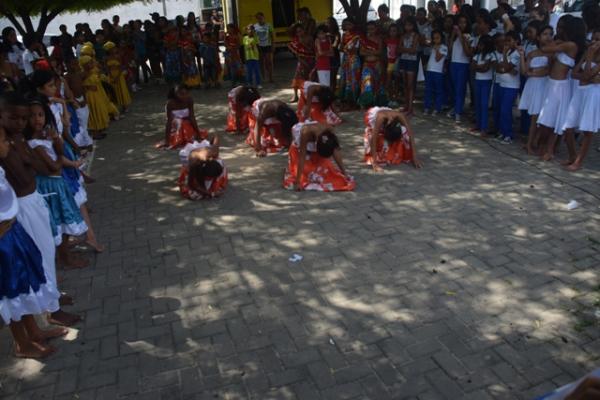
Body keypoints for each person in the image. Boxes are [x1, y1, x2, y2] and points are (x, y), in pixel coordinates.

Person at [0, 159, 64, 359]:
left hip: (11, 233)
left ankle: (34, 332)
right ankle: (22, 343)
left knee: (22, 285)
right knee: (10, 292)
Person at [25, 99, 89, 267]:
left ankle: (64, 252)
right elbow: (53, 166)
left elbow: (59, 154)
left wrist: (56, 140)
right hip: (49, 185)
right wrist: (59, 160)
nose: (37, 119)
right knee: (59, 220)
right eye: (32, 116)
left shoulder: (44, 136)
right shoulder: (33, 143)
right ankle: (64, 256)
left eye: (40, 115)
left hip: (57, 183)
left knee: (64, 219)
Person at [537, 16, 586, 161]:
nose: (558, 30)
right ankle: (546, 148)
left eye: (561, 27)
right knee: (548, 119)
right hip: (551, 84)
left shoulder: (570, 45)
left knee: (555, 120)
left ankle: (551, 150)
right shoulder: (564, 43)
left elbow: (545, 49)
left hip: (560, 87)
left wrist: (546, 38)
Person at [562, 38, 600, 171]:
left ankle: (579, 161)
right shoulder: (586, 54)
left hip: (592, 94)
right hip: (580, 91)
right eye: (594, 39)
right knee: (568, 126)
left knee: (588, 130)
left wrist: (589, 58)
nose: (595, 43)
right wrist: (586, 56)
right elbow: (575, 74)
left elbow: (588, 74)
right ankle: (572, 155)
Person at [283, 121, 354, 192]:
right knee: (305, 172)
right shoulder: (306, 132)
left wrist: (344, 173)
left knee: (326, 170)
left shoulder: (329, 131)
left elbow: (335, 151)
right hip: (299, 147)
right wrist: (298, 182)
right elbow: (302, 157)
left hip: (319, 141)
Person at [518, 25, 552, 154]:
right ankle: (529, 143)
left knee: (542, 117)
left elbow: (547, 70)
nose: (548, 37)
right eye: (545, 34)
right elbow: (524, 71)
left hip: (545, 84)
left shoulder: (551, 54)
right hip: (534, 85)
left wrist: (533, 72)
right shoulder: (532, 53)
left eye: (550, 34)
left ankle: (536, 141)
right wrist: (522, 56)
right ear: (538, 37)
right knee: (534, 116)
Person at [363, 107, 422, 171]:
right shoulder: (380, 118)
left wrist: (415, 157)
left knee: (406, 133)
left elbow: (411, 135)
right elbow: (373, 140)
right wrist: (375, 164)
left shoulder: (401, 116)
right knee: (374, 134)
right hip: (374, 115)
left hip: (388, 119)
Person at [495, 30, 521, 144]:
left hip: (511, 86)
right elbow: (500, 66)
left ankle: (509, 134)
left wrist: (505, 61)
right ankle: (503, 131)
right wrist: (506, 68)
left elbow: (508, 67)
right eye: (506, 40)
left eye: (509, 41)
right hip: (502, 83)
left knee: (506, 109)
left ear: (516, 41)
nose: (506, 43)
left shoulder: (516, 54)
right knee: (501, 109)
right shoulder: (509, 52)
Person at [162, 85, 206, 149]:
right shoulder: (170, 103)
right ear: (175, 94)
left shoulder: (189, 100)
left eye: (186, 93)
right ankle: (178, 138)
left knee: (186, 123)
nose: (184, 96)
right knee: (180, 122)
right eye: (181, 94)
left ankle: (188, 137)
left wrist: (198, 135)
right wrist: (167, 140)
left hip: (188, 124)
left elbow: (192, 117)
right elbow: (169, 121)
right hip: (175, 125)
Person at [448, 14, 472, 122]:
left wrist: (460, 35)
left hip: (463, 64)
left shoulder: (468, 36)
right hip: (454, 63)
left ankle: (458, 112)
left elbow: (467, 52)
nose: (461, 25)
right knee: (454, 87)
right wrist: (453, 35)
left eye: (464, 22)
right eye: (460, 22)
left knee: (460, 88)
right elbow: (449, 48)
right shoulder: (455, 36)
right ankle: (456, 108)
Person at [471, 35, 495, 136]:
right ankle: (478, 124)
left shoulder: (491, 55)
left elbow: (486, 68)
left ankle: (484, 127)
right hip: (478, 80)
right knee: (478, 103)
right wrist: (480, 67)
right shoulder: (477, 55)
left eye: (481, 45)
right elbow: (472, 66)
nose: (479, 46)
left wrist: (478, 67)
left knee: (484, 104)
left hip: (486, 81)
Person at [358, 22, 386, 109]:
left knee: (378, 82)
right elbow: (361, 52)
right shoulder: (364, 40)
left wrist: (368, 52)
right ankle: (367, 102)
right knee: (367, 83)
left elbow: (380, 52)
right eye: (368, 29)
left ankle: (377, 102)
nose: (370, 31)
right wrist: (372, 52)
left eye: (372, 28)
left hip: (377, 64)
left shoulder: (379, 39)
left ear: (376, 29)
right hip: (367, 64)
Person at [398, 17, 420, 115]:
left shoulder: (416, 35)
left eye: (409, 25)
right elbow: (399, 49)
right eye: (406, 25)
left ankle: (410, 107)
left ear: (413, 26)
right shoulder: (403, 35)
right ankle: (406, 105)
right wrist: (407, 49)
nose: (407, 27)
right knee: (405, 84)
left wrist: (404, 49)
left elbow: (414, 50)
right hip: (404, 60)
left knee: (410, 85)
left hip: (411, 61)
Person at [337, 19, 361, 107]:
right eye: (346, 25)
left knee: (354, 79)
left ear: (353, 25)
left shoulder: (357, 36)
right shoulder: (344, 35)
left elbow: (355, 49)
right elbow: (341, 47)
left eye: (350, 24)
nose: (348, 26)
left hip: (354, 59)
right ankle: (345, 98)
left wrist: (346, 48)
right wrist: (345, 48)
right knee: (344, 78)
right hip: (345, 58)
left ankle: (354, 99)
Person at [288, 24, 315, 103]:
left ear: (304, 30)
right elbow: (297, 54)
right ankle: (296, 95)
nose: (299, 33)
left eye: (300, 31)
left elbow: (313, 49)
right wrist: (302, 62)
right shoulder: (296, 40)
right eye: (297, 32)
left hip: (311, 59)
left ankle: (308, 95)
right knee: (298, 77)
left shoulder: (309, 38)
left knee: (309, 78)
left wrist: (304, 44)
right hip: (301, 61)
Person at [424, 30, 448, 115]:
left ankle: (437, 108)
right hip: (430, 70)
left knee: (438, 91)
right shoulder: (433, 46)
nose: (435, 40)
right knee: (428, 90)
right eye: (434, 38)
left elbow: (438, 59)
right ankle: (427, 107)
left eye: (437, 38)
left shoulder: (444, 47)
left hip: (438, 72)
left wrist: (437, 49)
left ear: (441, 38)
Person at [103, 41, 132, 112]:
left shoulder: (118, 56)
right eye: (112, 48)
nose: (114, 49)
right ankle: (116, 106)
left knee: (121, 89)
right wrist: (110, 75)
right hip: (111, 75)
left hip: (119, 75)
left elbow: (120, 67)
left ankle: (125, 106)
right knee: (114, 90)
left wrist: (117, 77)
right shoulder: (106, 58)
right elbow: (107, 68)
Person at [254, 12, 274, 83]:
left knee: (269, 62)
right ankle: (263, 77)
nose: (260, 19)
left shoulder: (268, 25)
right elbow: (254, 37)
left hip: (267, 45)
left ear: (263, 17)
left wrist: (273, 45)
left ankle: (270, 77)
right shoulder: (255, 26)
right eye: (258, 18)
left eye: (261, 18)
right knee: (261, 62)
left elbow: (272, 36)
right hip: (259, 46)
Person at [385, 24, 401, 106]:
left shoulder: (399, 40)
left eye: (394, 30)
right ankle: (390, 97)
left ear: (397, 32)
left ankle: (396, 98)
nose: (392, 32)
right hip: (389, 62)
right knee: (389, 81)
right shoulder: (386, 40)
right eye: (391, 31)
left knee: (396, 81)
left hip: (397, 62)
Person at [326, 17, 341, 92]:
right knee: (327, 77)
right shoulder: (325, 33)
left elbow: (335, 45)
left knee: (333, 77)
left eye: (329, 23)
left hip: (334, 57)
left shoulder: (336, 34)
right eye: (327, 23)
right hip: (327, 57)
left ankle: (332, 93)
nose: (327, 24)